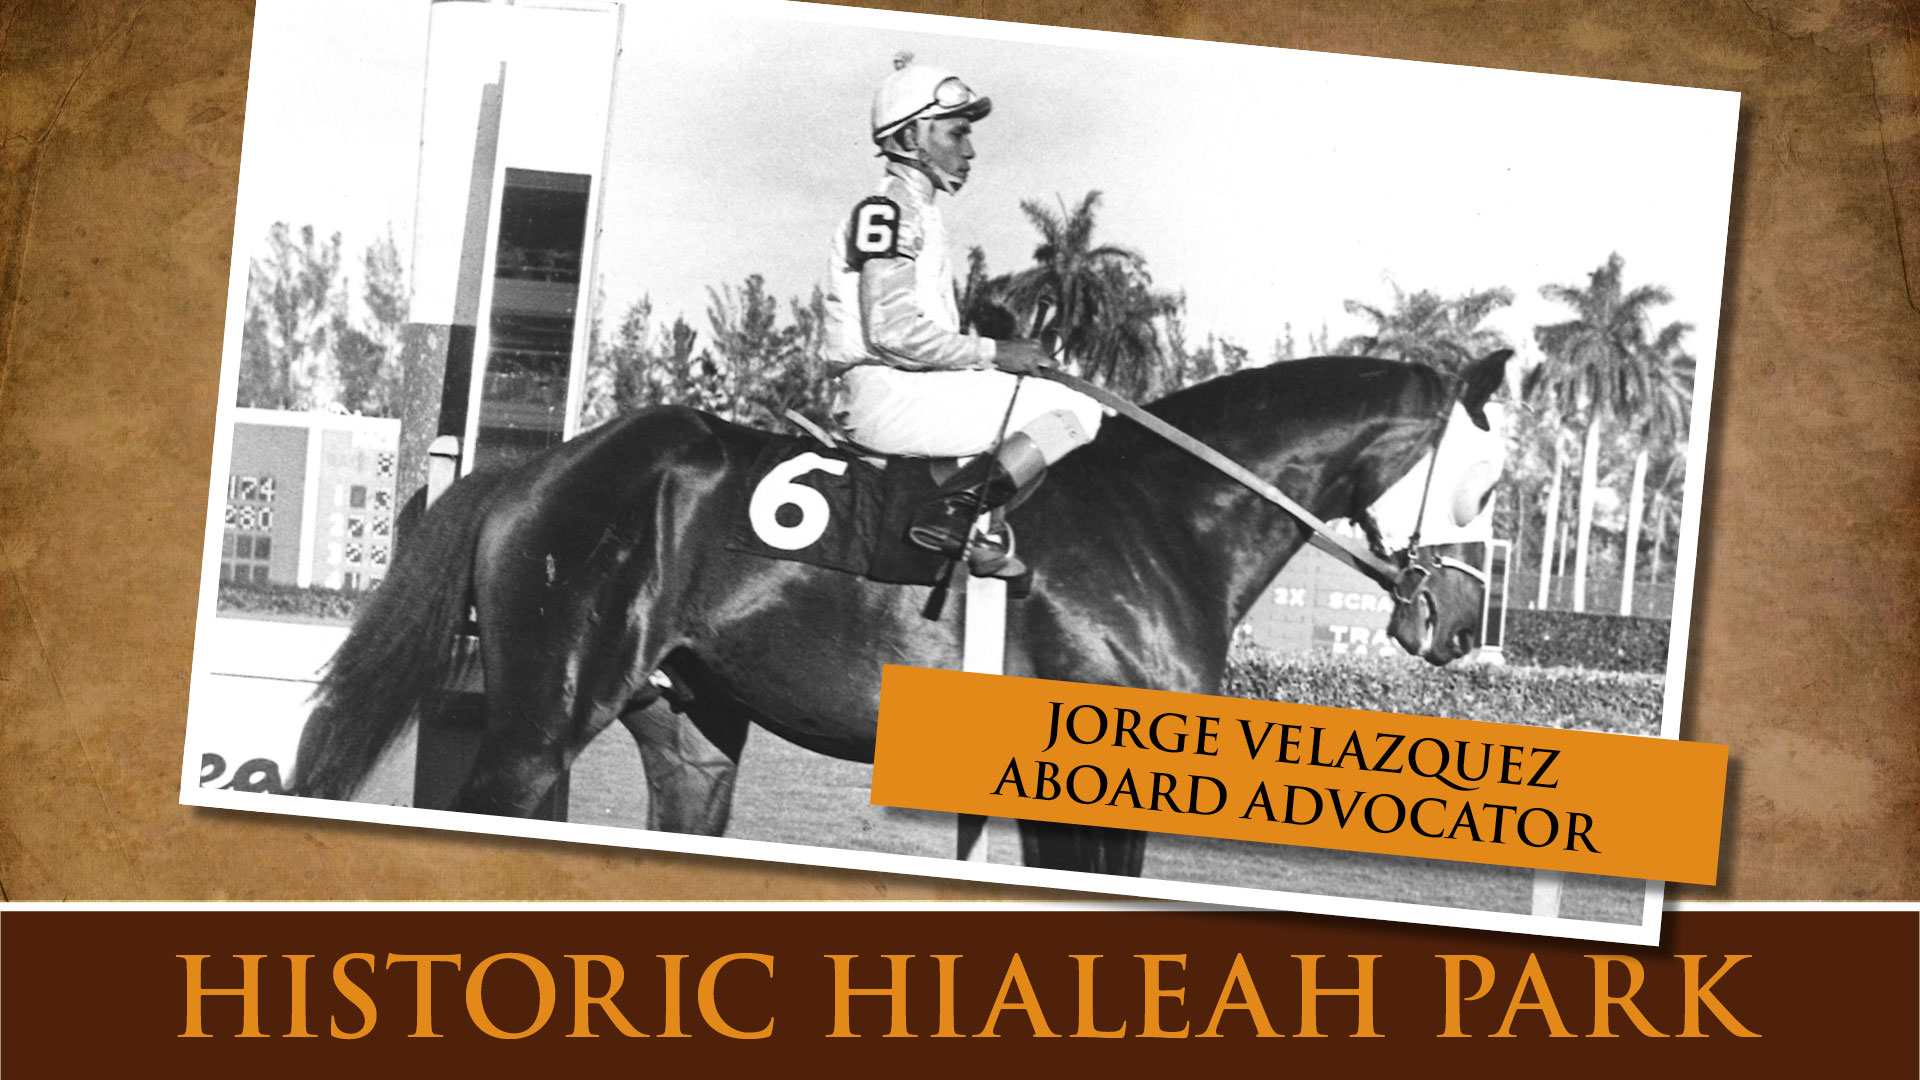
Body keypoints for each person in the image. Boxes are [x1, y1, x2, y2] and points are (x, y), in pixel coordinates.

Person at [823, 54, 1105, 577]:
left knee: (1049, 399)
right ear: (911, 137)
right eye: (956, 133)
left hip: (907, 388)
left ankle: (978, 528)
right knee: (1075, 411)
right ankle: (952, 514)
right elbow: (890, 333)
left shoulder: (919, 211)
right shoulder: (889, 210)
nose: (970, 150)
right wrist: (995, 353)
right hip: (885, 394)